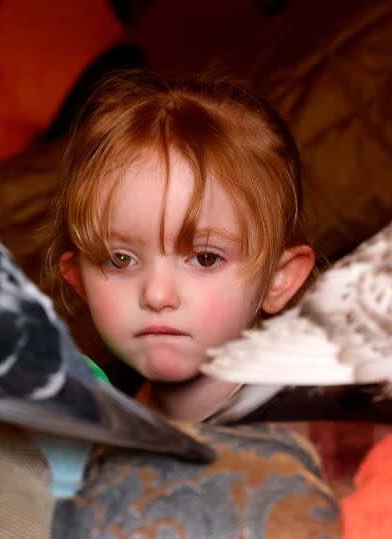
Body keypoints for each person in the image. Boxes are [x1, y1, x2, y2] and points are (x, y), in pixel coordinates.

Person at [42, 68, 316, 422]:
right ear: (78, 279)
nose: (157, 296)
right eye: (120, 260)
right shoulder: (99, 406)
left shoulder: (304, 443)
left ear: (278, 280)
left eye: (204, 258)